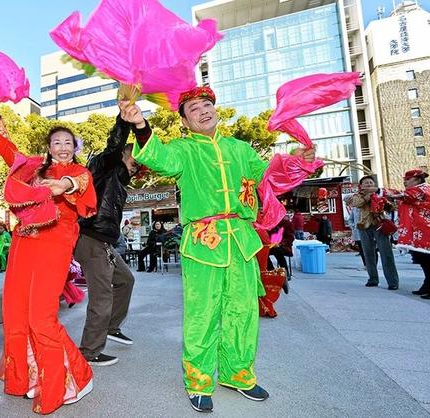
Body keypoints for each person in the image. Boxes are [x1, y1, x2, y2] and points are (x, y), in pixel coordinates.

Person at [130, 86, 317, 412]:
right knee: (202, 314)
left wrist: (297, 161)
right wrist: (140, 125)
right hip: (204, 243)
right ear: (185, 122)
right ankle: (198, 381)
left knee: (243, 312)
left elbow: (268, 176)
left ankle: (238, 374)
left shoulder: (240, 149)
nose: (203, 111)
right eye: (194, 109)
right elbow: (159, 157)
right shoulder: (184, 150)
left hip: (241, 241)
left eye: (207, 105)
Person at [0, 91, 97, 414]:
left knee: (41, 318)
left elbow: (79, 186)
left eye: (68, 142)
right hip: (23, 244)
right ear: (48, 147)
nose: (62, 147)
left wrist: (64, 186)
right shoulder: (33, 169)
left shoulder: (80, 172)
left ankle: (76, 378)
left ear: (75, 148)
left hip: (54, 245)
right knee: (15, 313)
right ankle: (29, 377)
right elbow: (8, 151)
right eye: (57, 142)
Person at [74, 102, 144, 367]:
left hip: (102, 241)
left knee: (125, 280)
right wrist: (125, 120)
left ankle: (112, 326)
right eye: (134, 161)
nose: (136, 167)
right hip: (89, 237)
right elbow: (114, 144)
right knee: (102, 295)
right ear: (123, 155)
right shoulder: (104, 166)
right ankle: (89, 351)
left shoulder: (119, 180)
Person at [345, 175, 400, 290]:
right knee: (368, 253)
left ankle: (393, 281)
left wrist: (386, 201)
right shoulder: (357, 195)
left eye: (371, 182)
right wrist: (369, 196)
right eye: (366, 183)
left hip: (379, 224)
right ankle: (373, 278)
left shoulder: (380, 194)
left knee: (386, 253)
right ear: (361, 185)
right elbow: (358, 204)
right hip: (364, 226)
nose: (369, 184)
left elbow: (391, 207)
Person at [391, 169, 430, 297]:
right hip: (418, 231)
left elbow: (407, 196)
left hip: (425, 230)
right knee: (423, 260)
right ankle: (427, 284)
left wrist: (384, 192)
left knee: (427, 259)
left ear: (418, 179)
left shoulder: (422, 189)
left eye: (408, 179)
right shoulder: (416, 191)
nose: (405, 182)